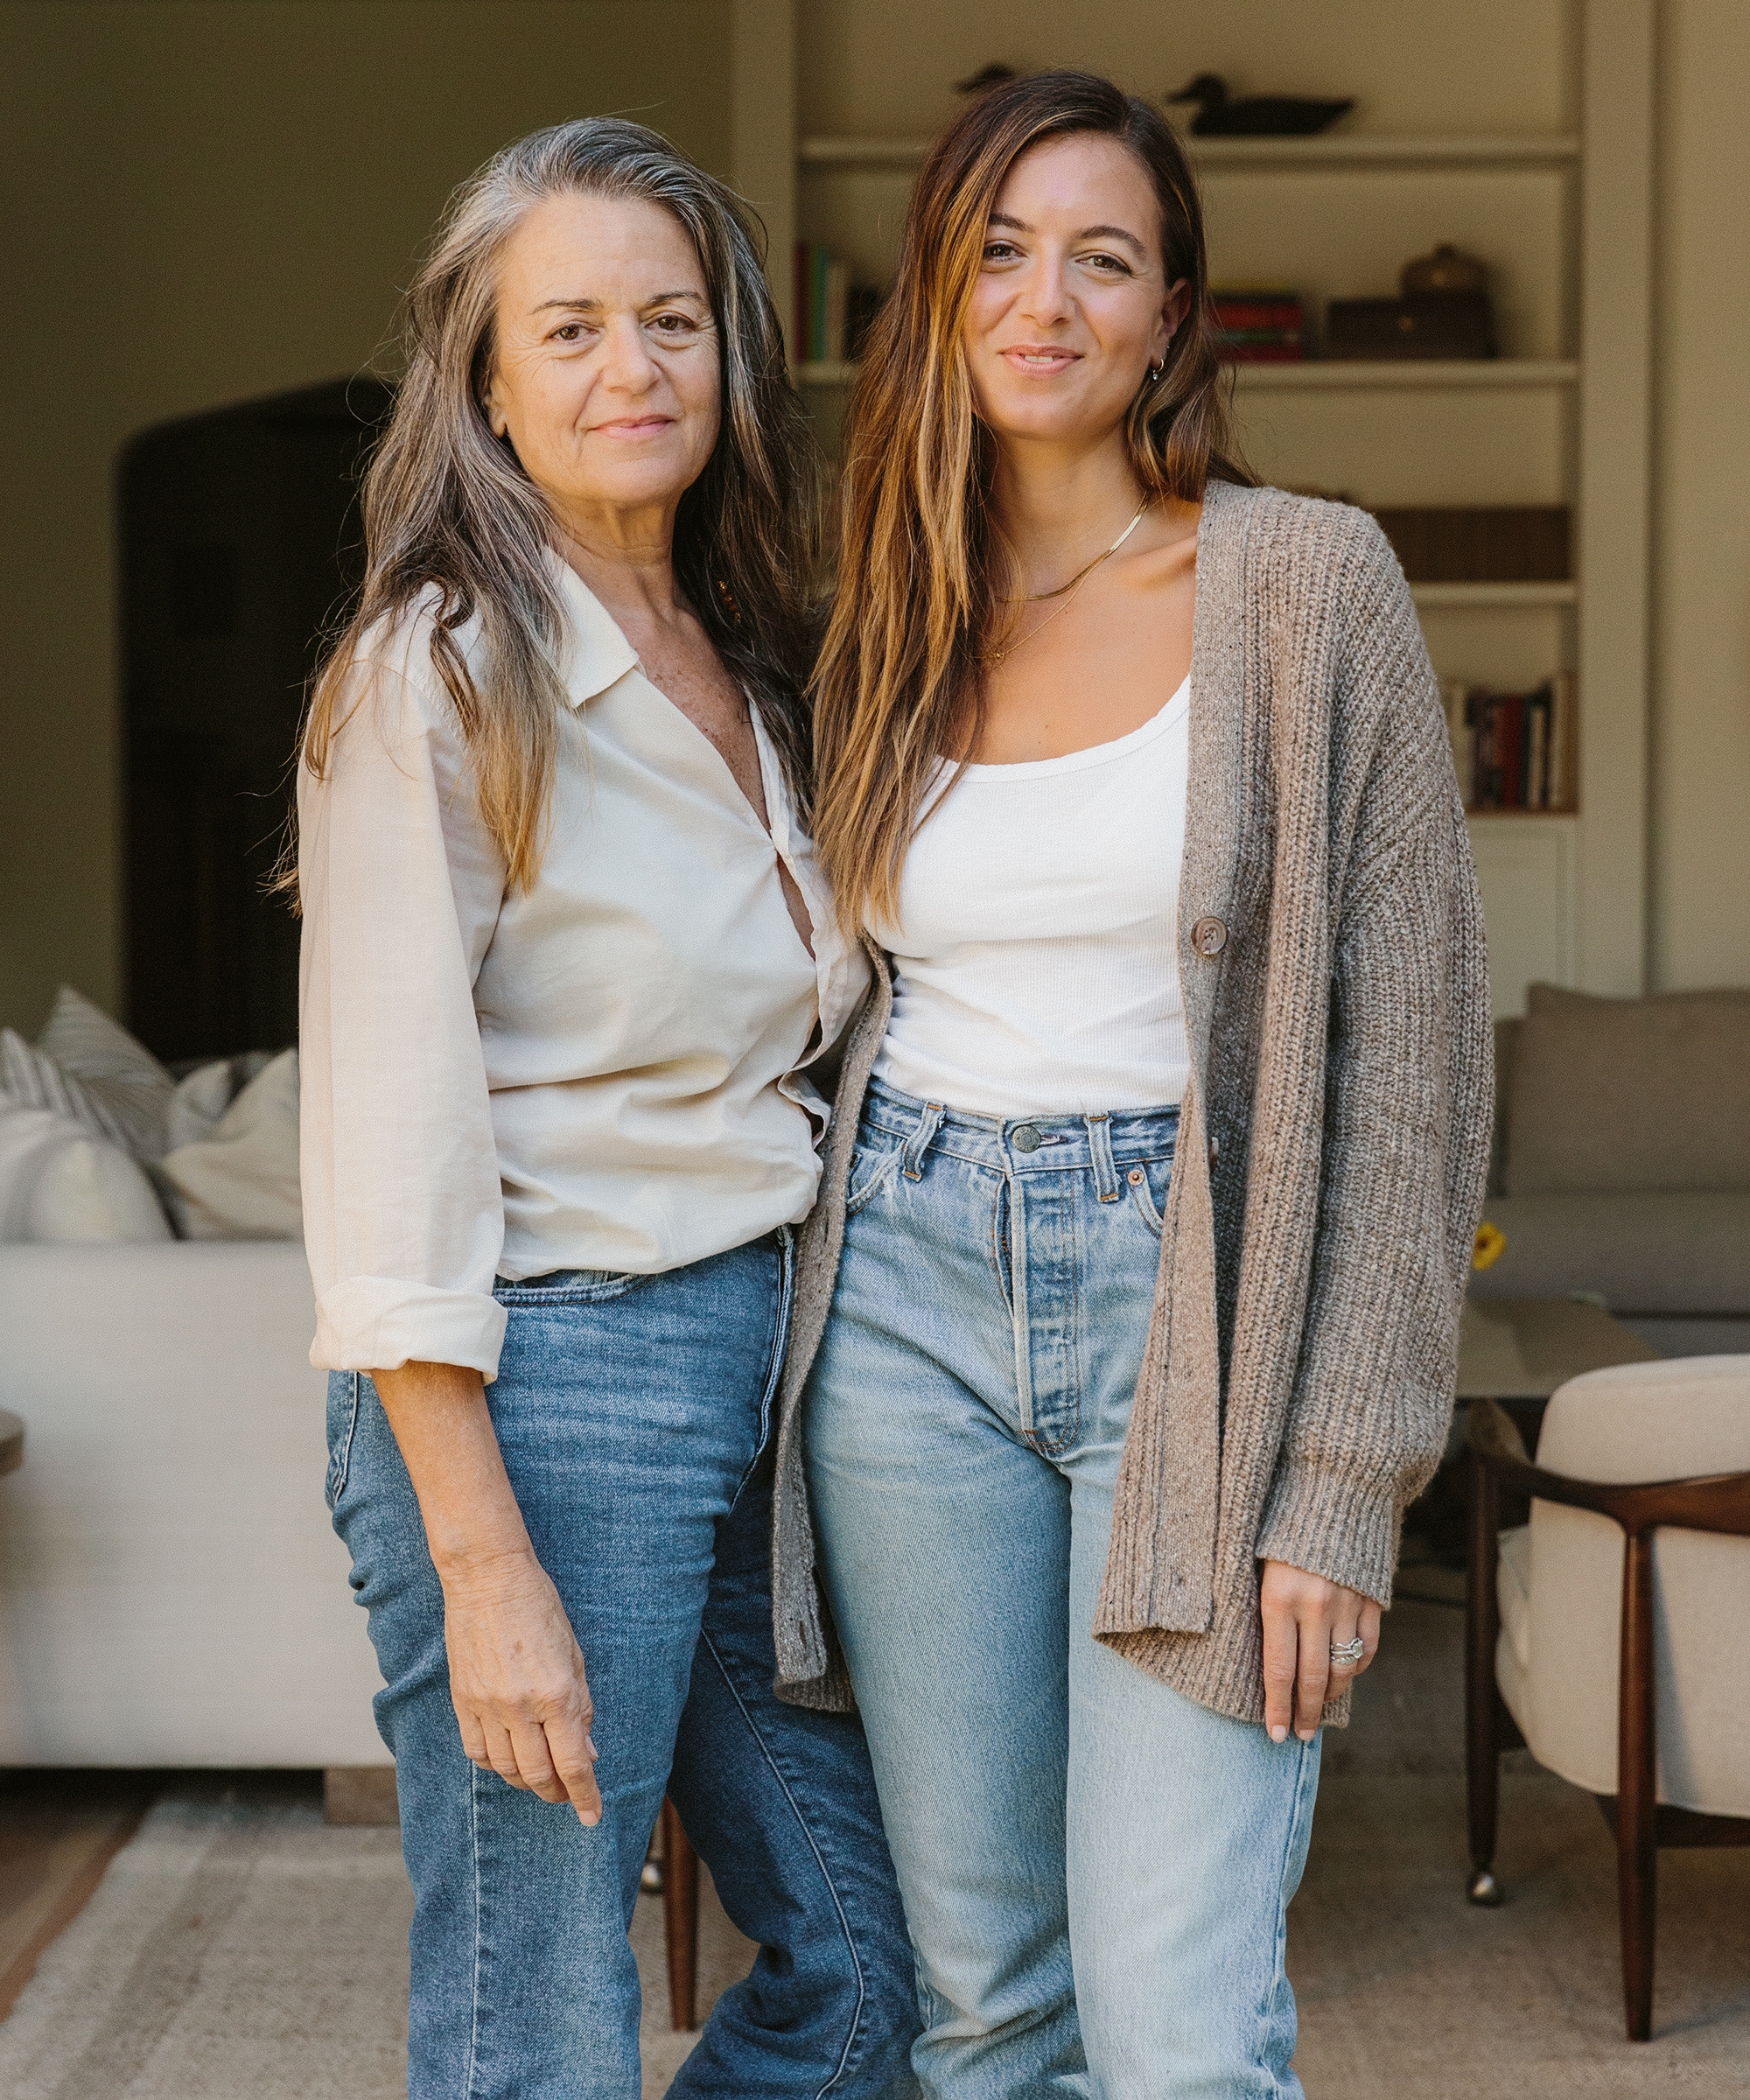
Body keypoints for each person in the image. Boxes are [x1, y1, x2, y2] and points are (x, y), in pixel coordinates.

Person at [763, 71, 1494, 2097]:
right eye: (997, 250)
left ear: (1174, 316)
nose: (1045, 299)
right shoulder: (875, 618)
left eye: (1102, 258)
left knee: (1175, 2023)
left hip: (1196, 1308)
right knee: (986, 2002)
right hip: (901, 1307)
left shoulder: (1306, 584)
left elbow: (1412, 1067)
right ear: (935, 291)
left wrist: (1341, 1489)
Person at [296, 118, 919, 2100]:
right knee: (536, 2007)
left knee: (874, 1968)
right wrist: (485, 1568)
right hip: (543, 1394)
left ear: (732, 360)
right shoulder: (438, 674)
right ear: (480, 380)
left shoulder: (757, 666)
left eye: (668, 320)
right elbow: (386, 1146)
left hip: (762, 1373)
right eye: (563, 328)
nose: (627, 368)